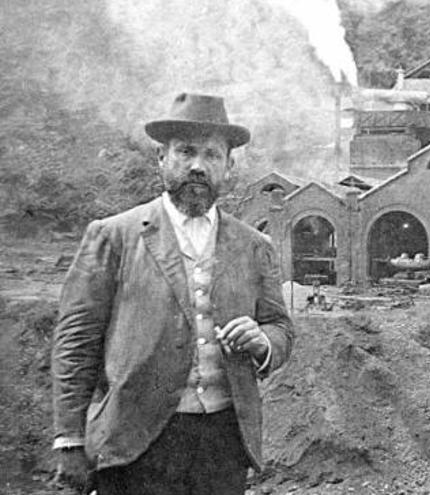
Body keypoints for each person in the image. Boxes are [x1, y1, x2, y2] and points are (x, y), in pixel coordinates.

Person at [51, 93, 294, 495]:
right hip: (135, 442)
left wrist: (263, 341)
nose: (198, 166)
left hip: (222, 444)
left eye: (212, 155)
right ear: (161, 158)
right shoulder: (114, 236)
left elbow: (282, 327)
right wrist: (70, 439)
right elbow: (76, 344)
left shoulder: (254, 245)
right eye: (185, 152)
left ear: (229, 167)